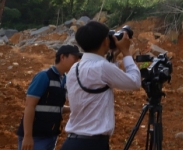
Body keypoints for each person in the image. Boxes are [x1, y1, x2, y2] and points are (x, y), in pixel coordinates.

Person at [61, 21, 141, 150]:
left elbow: (103, 79)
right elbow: (135, 82)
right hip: (93, 144)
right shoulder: (102, 67)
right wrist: (126, 52)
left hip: (72, 142)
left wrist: (113, 56)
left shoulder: (74, 68)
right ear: (105, 41)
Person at [16, 45, 82, 150]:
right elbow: (30, 106)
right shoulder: (44, 76)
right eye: (74, 58)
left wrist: (74, 108)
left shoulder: (65, 80)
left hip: (50, 135)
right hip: (36, 136)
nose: (76, 62)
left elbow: (55, 107)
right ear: (62, 57)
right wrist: (27, 136)